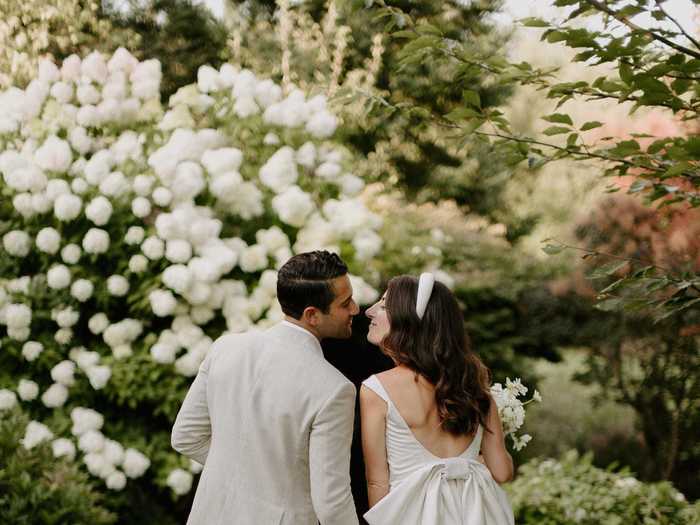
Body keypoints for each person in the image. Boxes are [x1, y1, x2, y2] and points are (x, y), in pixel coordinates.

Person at [171, 250, 360, 525]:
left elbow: (186, 437)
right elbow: (331, 502)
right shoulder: (334, 389)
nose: (356, 308)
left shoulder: (226, 348)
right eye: (346, 303)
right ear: (312, 315)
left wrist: (244, 477)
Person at [360, 273, 515, 525]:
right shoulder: (474, 385)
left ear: (408, 320)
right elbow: (502, 471)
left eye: (385, 305)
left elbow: (378, 481)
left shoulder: (376, 389)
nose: (369, 311)